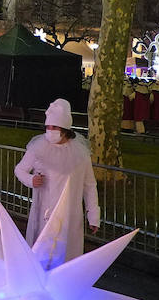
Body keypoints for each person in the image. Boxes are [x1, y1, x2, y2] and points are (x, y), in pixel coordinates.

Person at [12, 99, 100, 267]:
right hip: (44, 212)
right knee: (41, 254)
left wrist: (93, 215)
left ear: (65, 129)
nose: (50, 131)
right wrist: (31, 180)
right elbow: (20, 170)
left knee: (65, 256)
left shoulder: (80, 154)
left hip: (69, 215)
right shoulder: (38, 148)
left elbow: (89, 185)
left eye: (55, 127)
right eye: (48, 127)